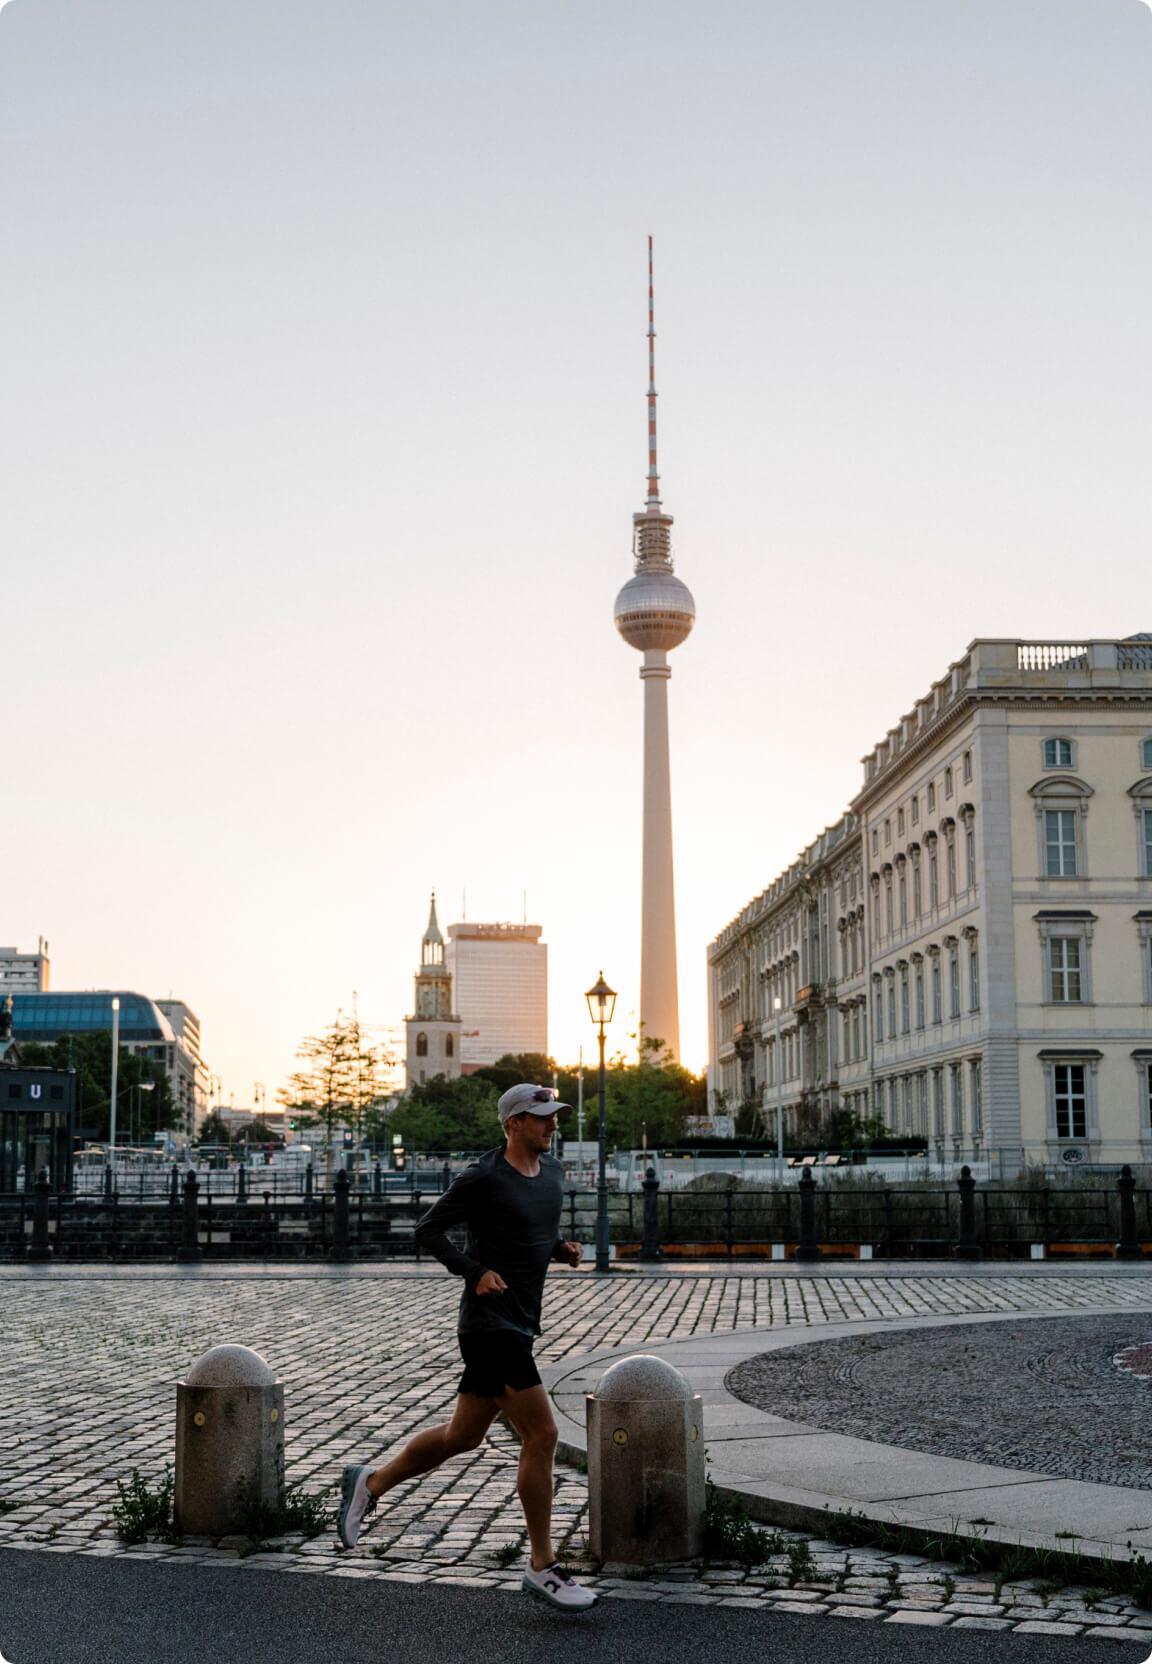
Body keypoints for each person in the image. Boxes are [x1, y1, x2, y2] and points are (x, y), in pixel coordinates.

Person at [336, 1082, 597, 1611]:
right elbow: (428, 1231)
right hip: (488, 1326)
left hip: (522, 1321)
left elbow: (528, 1234)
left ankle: (371, 1482)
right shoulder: (483, 1177)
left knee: (463, 1435)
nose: (552, 1124)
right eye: (541, 1116)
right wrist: (473, 1271)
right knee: (542, 1433)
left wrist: (558, 1248)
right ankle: (542, 1565)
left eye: (554, 1116)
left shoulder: (552, 1175)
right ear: (513, 1123)